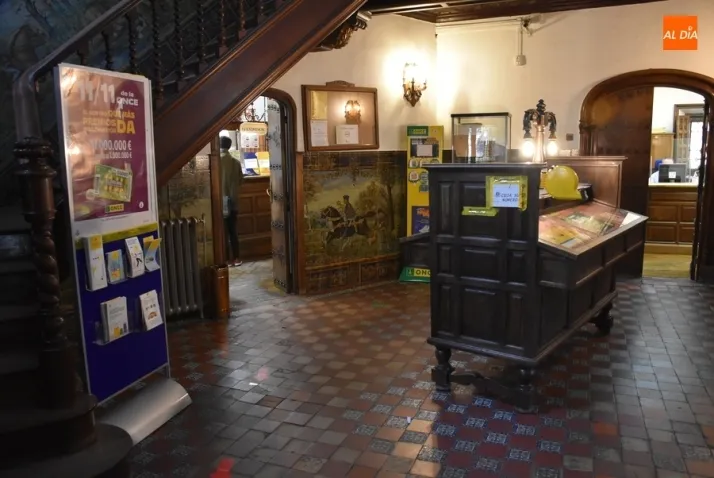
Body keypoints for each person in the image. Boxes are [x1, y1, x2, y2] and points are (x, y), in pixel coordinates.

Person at [220, 136, 243, 266]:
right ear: (229, 146)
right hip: (233, 201)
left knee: (222, 232)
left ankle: (226, 259)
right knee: (233, 230)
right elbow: (240, 180)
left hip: (220, 201)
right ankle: (237, 258)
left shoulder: (217, 161)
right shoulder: (236, 162)